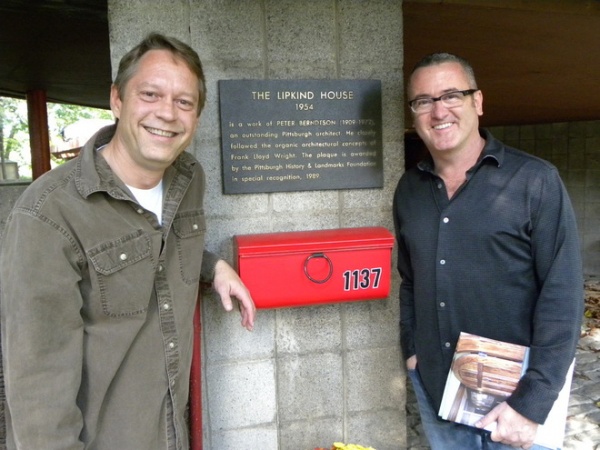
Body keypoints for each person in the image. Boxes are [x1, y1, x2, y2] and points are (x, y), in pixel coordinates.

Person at [0, 33, 256, 449]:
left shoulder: (188, 179)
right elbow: (37, 384)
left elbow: (154, 247)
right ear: (117, 100)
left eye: (184, 102)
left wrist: (214, 266)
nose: (167, 113)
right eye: (151, 94)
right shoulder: (48, 214)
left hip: (167, 432)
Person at [393, 52, 583, 450]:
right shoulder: (408, 190)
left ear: (477, 102)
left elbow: (562, 296)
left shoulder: (535, 181)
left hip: (515, 400)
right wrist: (413, 350)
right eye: (423, 101)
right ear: (413, 114)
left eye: (451, 95)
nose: (438, 110)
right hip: (439, 389)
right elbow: (410, 281)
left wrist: (531, 405)